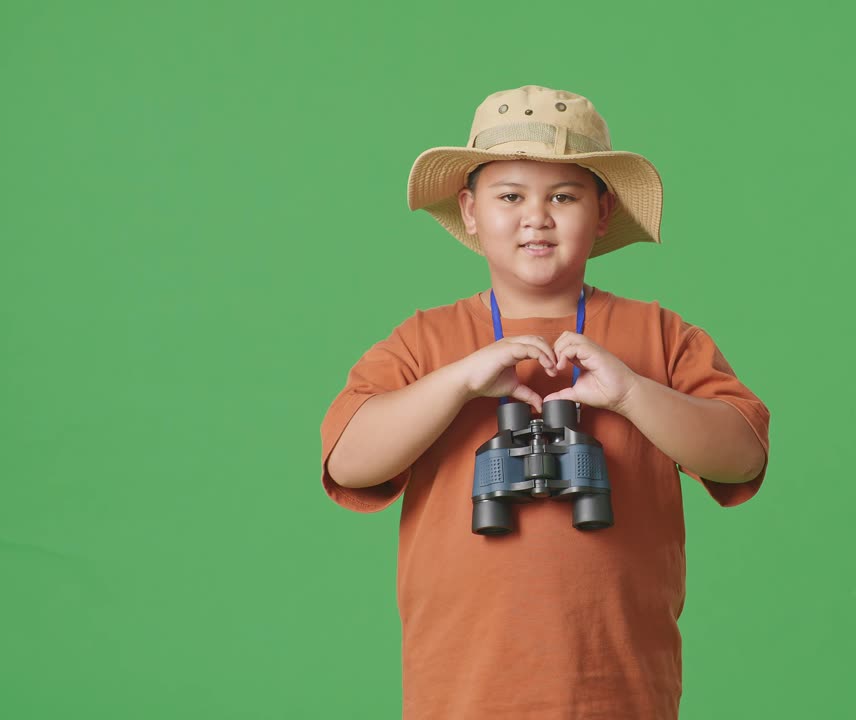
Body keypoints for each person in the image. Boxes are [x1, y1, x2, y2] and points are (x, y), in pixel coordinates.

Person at [319, 85, 770, 719]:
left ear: (603, 212)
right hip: (462, 691)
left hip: (619, 690)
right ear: (470, 211)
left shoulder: (661, 336)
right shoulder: (424, 342)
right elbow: (348, 463)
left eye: (564, 196)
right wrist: (457, 383)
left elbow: (742, 456)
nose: (538, 216)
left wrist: (633, 394)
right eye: (510, 196)